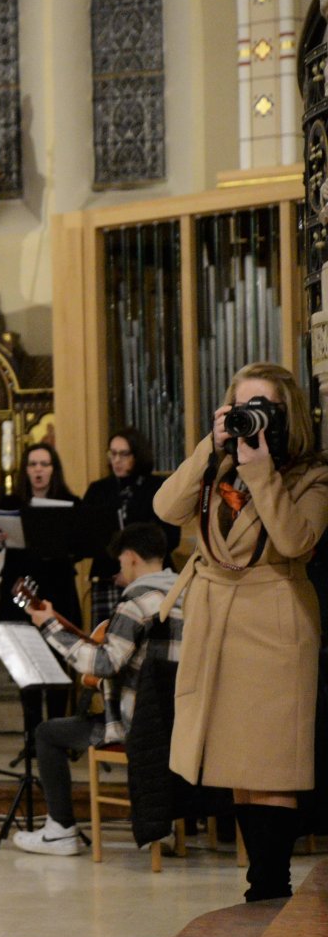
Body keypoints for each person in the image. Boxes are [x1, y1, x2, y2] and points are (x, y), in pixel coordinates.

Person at [155, 361, 328, 901]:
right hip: (217, 620)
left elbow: (296, 540)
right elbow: (166, 507)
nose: (251, 417)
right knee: (239, 762)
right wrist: (213, 444)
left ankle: (270, 884)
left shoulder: (312, 474)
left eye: (263, 408)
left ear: (287, 413)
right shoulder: (220, 463)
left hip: (274, 620)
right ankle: (262, 885)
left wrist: (261, 471)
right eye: (241, 406)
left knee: (271, 764)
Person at [15, 523, 182, 856]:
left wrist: (48, 626)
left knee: (48, 733)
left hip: (139, 725)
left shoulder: (136, 600)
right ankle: (167, 828)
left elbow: (105, 664)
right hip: (182, 720)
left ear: (131, 558)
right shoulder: (186, 591)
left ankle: (60, 830)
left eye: (120, 563)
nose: (120, 570)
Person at [0, 443, 82, 627]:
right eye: (33, 464)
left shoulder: (70, 502)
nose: (38, 469)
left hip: (58, 584)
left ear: (53, 469)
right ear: (25, 470)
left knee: (60, 647)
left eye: (44, 464)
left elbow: (81, 547)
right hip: (19, 583)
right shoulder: (10, 502)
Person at [80, 428, 173, 625]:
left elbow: (169, 536)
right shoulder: (99, 490)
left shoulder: (156, 487)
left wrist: (134, 571)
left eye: (124, 454)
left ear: (137, 455)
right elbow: (85, 535)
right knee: (105, 637)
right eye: (112, 454)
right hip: (108, 576)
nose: (117, 460)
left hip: (148, 578)